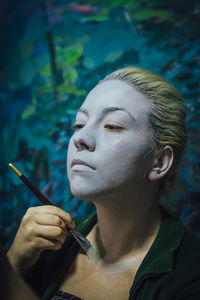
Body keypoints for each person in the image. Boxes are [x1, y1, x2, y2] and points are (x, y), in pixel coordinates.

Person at [7, 67, 200, 300]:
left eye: (113, 125)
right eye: (79, 124)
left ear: (159, 161)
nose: (80, 138)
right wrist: (14, 264)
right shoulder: (44, 247)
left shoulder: (189, 277)